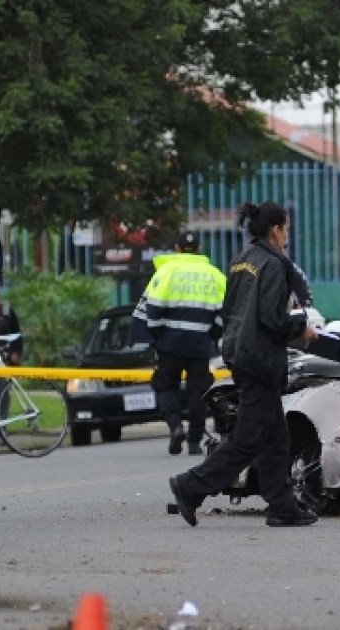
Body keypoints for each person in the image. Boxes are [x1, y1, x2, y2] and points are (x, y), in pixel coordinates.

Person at [169, 201, 319, 528]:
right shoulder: (274, 265)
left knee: (276, 438)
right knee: (248, 440)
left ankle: (282, 506)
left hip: (239, 353)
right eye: (286, 230)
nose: (286, 237)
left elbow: (231, 311)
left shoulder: (240, 262)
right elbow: (271, 318)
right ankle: (190, 486)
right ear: (275, 230)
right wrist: (300, 328)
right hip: (260, 360)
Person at [133, 230, 227, 455]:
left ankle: (175, 428)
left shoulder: (166, 272)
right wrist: (211, 335)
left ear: (176, 248)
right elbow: (225, 311)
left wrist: (157, 336)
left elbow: (152, 308)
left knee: (165, 386)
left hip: (170, 344)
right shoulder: (214, 274)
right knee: (199, 392)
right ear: (199, 250)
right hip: (200, 345)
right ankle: (195, 442)